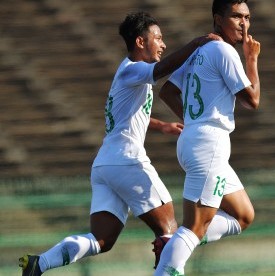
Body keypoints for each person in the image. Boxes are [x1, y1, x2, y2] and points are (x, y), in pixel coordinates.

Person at [18, 11, 220, 276]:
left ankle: (38, 264)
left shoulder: (127, 74)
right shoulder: (135, 70)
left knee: (102, 239)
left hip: (105, 164)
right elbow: (160, 71)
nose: (163, 44)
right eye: (158, 38)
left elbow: (128, 116)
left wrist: (163, 126)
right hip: (127, 159)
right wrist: (196, 43)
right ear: (140, 42)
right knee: (169, 229)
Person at [154, 0, 260, 275]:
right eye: (236, 16)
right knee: (195, 227)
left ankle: (174, 240)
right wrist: (251, 58)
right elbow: (253, 100)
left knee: (243, 215)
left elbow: (167, 91)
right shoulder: (224, 51)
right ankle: (171, 256)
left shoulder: (199, 51)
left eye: (247, 17)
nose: (244, 24)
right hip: (210, 143)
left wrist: (192, 120)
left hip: (197, 139)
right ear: (217, 19)